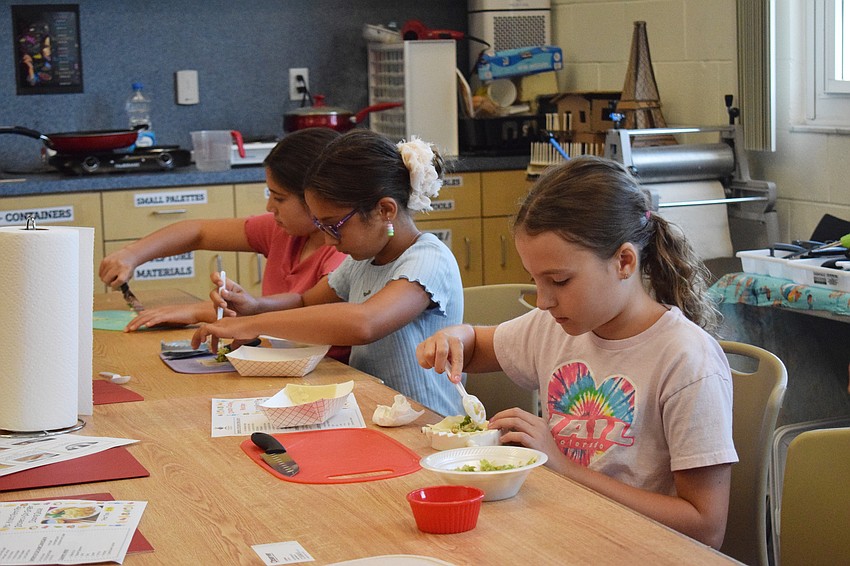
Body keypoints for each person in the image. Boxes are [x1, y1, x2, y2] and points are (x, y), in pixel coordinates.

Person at [416, 156, 737, 548]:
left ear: (623, 262)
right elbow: (479, 346)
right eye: (535, 280)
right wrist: (455, 336)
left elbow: (705, 527)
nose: (545, 301)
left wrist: (562, 466)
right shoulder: (557, 325)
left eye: (559, 280)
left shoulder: (686, 361)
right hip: (564, 534)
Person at [191, 130, 465, 416]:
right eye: (320, 227)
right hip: (377, 411)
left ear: (385, 210)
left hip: (429, 422)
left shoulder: (428, 259)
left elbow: (365, 323)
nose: (328, 241)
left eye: (333, 226)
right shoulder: (364, 258)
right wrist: (254, 306)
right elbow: (305, 302)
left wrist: (255, 324)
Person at [99, 128, 347, 334]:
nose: (269, 207)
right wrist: (132, 254)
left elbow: (307, 314)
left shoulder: (343, 251)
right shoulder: (282, 231)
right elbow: (198, 231)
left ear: (316, 198)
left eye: (279, 198)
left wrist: (201, 311)